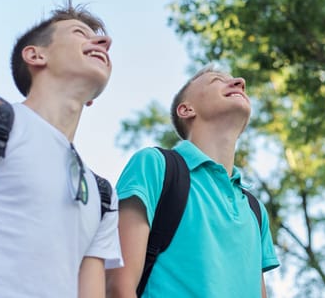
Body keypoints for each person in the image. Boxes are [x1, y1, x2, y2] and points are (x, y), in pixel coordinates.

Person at [0, 0, 123, 297]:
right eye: (79, 34)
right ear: (35, 55)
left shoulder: (104, 195)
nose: (104, 42)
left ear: (91, 99)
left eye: (101, 41)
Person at [107, 65, 279, 298]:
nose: (239, 82)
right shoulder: (155, 166)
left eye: (237, 81)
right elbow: (118, 287)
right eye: (217, 80)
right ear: (186, 109)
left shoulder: (255, 210)